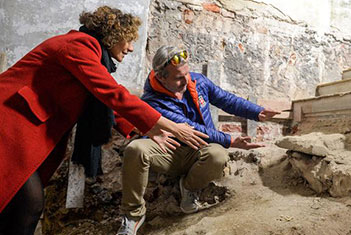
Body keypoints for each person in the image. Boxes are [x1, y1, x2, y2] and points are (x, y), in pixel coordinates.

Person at [0, 7, 208, 235]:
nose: (130, 48)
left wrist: (143, 129)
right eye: (128, 40)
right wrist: (168, 126)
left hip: (22, 130)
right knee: (29, 203)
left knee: (19, 205)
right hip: (10, 124)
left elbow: (105, 101)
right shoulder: (77, 46)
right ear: (113, 35)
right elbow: (112, 93)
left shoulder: (90, 55)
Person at [117, 45, 280, 234]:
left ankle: (188, 188)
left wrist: (257, 111)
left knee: (218, 155)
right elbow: (192, 129)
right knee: (136, 148)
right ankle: (134, 215)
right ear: (161, 77)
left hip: (198, 149)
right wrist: (232, 141)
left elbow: (226, 99)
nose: (186, 80)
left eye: (186, 73)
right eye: (178, 77)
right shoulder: (152, 101)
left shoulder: (197, 81)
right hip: (170, 152)